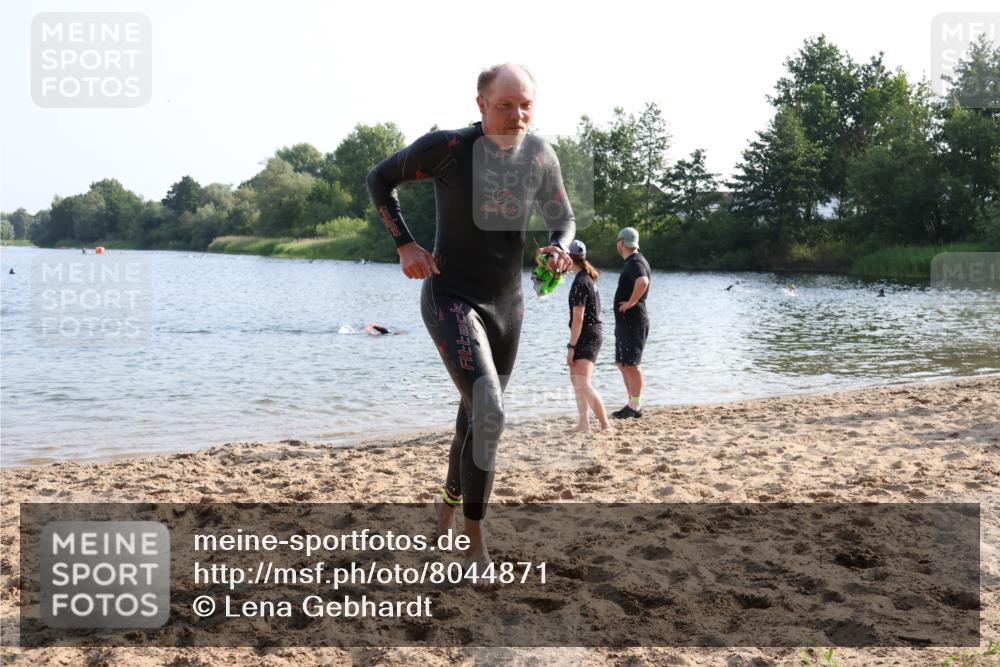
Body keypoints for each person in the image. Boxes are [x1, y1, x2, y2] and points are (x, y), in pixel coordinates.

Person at [366, 63, 575, 574]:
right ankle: (476, 543)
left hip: (507, 307)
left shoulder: (540, 156)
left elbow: (562, 217)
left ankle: (444, 513)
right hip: (450, 296)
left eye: (525, 104)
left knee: (475, 420)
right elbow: (380, 178)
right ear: (481, 104)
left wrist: (558, 247)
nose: (516, 114)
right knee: (489, 410)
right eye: (505, 104)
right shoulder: (448, 150)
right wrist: (405, 244)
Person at [566, 240, 610, 433]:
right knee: (577, 382)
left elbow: (578, 319)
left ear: (569, 259)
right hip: (588, 334)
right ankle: (584, 423)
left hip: (588, 336)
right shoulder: (586, 277)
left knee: (583, 383)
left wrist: (571, 347)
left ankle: (605, 425)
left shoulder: (581, 282)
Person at [612, 227, 650, 419]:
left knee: (632, 364)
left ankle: (635, 406)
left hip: (633, 321)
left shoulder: (635, 262)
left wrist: (631, 302)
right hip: (626, 322)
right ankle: (631, 404)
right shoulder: (633, 261)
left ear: (621, 243)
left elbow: (642, 281)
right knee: (623, 363)